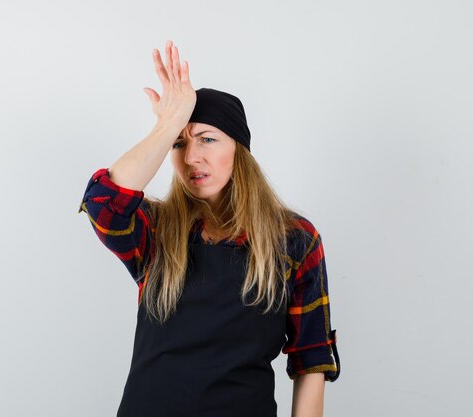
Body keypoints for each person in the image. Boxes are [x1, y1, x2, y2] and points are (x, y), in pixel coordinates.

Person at [78, 40, 340, 417]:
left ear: (239, 149)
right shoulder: (156, 231)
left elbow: (311, 360)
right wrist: (167, 124)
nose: (192, 157)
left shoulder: (294, 241)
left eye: (207, 139)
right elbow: (102, 201)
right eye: (179, 144)